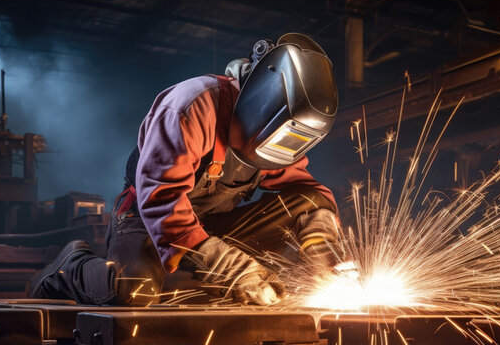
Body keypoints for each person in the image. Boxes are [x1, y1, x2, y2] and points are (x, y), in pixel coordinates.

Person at [27, 33, 341, 306]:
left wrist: (320, 237)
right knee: (135, 291)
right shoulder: (191, 106)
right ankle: (70, 266)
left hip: (211, 224)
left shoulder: (280, 130)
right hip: (148, 220)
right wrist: (226, 265)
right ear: (263, 103)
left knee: (312, 205)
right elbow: (161, 199)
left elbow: (308, 193)